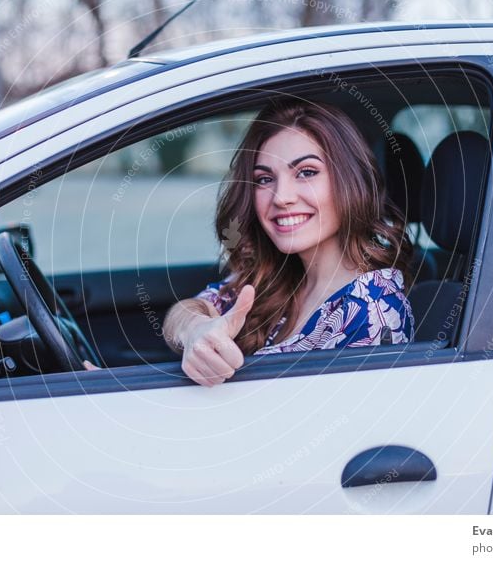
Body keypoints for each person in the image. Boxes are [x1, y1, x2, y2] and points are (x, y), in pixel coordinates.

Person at [162, 99, 414, 387]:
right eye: (265, 179)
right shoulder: (275, 277)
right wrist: (195, 329)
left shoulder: (372, 310)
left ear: (350, 180)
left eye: (306, 172)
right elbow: (185, 311)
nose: (281, 197)